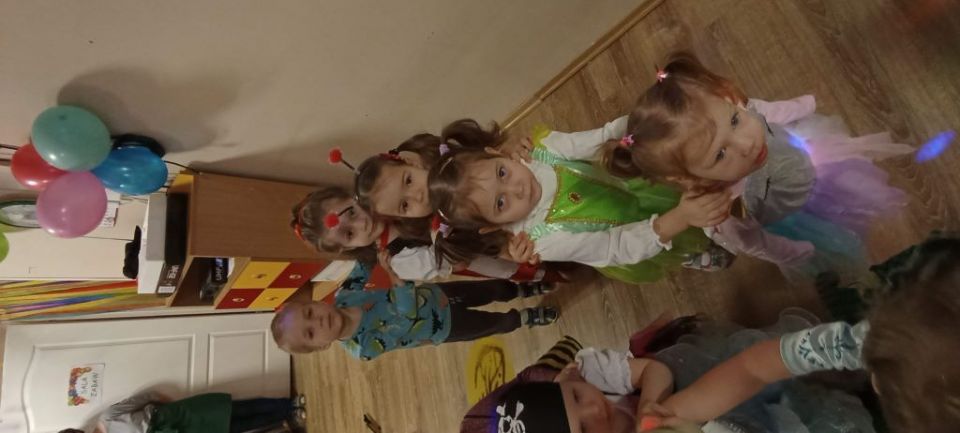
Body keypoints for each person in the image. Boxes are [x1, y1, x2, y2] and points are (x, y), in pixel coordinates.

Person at [600, 51, 912, 280]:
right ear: (687, 177)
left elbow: (767, 112)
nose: (747, 143)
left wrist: (802, 107)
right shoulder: (727, 209)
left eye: (735, 121)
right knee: (842, 232)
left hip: (811, 164)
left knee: (852, 190)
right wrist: (795, 252)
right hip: (796, 213)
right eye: (720, 154)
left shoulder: (742, 111)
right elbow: (757, 243)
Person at [636, 234, 960, 433]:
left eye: (887, 384)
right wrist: (678, 411)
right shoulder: (875, 339)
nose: (876, 381)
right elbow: (754, 367)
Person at [463, 310, 877, 433]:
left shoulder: (658, 420)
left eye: (576, 398)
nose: (595, 411)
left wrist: (818, 349)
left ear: (569, 379)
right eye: (585, 431)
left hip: (681, 383)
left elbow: (748, 369)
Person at [270, 261, 557, 360]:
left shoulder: (345, 296)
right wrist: (398, 281)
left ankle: (522, 290)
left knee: (492, 289)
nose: (318, 321)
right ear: (321, 346)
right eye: (311, 332)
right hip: (444, 329)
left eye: (310, 313)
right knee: (495, 323)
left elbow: (363, 264)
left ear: (316, 302)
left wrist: (370, 244)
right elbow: (405, 319)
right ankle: (525, 318)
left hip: (439, 294)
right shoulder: (363, 348)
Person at [290, 185, 557, 282]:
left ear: (352, 195)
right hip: (488, 252)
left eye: (351, 212)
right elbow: (451, 260)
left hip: (491, 219)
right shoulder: (399, 261)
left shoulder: (392, 198)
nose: (361, 224)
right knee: (538, 261)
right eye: (349, 234)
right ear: (349, 248)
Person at [59, 390, 304, 433]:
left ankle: (289, 403)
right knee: (238, 428)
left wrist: (175, 404)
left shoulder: (108, 417)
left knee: (239, 408)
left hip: (179, 415)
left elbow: (147, 397)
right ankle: (288, 414)